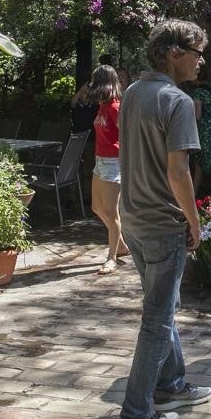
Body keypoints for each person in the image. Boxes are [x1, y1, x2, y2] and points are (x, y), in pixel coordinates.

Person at [116, 21, 211, 419]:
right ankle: (137, 416)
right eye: (195, 50)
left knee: (162, 305)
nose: (200, 59)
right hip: (162, 223)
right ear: (172, 53)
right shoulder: (177, 101)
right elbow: (179, 173)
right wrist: (194, 222)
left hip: (133, 218)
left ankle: (171, 386)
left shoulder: (134, 91)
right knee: (157, 318)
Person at [90, 65, 130, 275]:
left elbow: (128, 135)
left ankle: (111, 258)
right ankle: (122, 245)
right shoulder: (103, 106)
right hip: (100, 162)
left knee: (112, 213)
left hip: (113, 164)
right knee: (97, 207)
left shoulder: (115, 107)